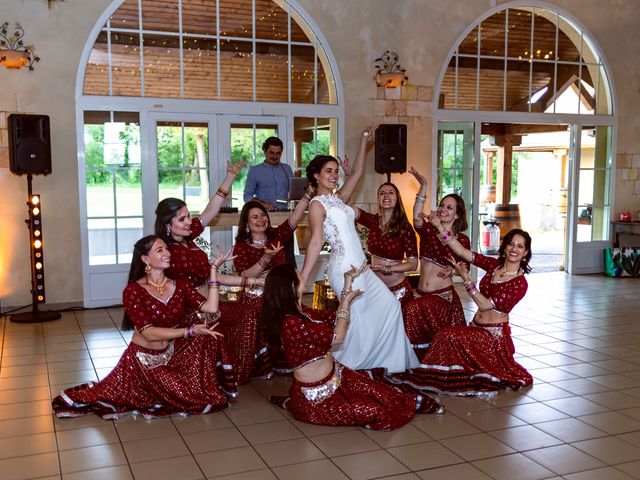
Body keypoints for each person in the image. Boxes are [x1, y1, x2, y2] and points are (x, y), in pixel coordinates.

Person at [52, 235, 238, 419]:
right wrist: (188, 331)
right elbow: (148, 333)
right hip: (143, 362)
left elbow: (211, 307)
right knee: (185, 397)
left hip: (172, 354)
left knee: (207, 348)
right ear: (146, 259)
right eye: (160, 250)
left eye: (166, 248)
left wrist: (213, 270)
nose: (167, 253)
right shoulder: (134, 291)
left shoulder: (180, 285)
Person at [265, 264, 443, 430]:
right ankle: (300, 404)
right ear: (290, 286)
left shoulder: (303, 311)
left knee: (385, 394)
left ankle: (414, 402)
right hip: (317, 397)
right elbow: (337, 337)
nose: (303, 276)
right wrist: (346, 304)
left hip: (338, 375)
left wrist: (346, 289)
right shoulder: (291, 323)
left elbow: (334, 318)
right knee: (374, 411)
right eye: (299, 275)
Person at [299, 125, 419, 373]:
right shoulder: (317, 205)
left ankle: (388, 363)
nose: (334, 175)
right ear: (316, 177)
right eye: (328, 171)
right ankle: (349, 365)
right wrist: (303, 278)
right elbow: (315, 242)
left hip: (363, 269)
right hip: (345, 271)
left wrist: (364, 139)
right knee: (357, 320)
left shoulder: (338, 199)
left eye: (335, 171)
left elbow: (358, 173)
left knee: (389, 306)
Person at [392, 228, 533, 395]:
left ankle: (432, 376)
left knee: (447, 335)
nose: (514, 249)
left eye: (519, 246)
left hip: (491, 337)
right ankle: (431, 371)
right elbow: (461, 251)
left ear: (525, 253)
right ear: (504, 247)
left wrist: (465, 278)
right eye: (511, 244)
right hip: (475, 327)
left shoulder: (519, 283)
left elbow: (485, 305)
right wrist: (439, 228)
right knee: (444, 335)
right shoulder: (494, 266)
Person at [224, 193, 311, 383]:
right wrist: (266, 260)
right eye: (255, 217)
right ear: (246, 223)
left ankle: (287, 359)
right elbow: (246, 276)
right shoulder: (241, 247)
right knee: (261, 310)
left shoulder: (276, 238)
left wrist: (306, 196)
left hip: (280, 293)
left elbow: (293, 220)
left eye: (263, 215)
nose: (261, 220)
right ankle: (264, 362)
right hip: (256, 295)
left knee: (295, 312)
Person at [401, 167, 470, 357]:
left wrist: (454, 270)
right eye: (441, 205)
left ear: (457, 215)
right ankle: (417, 361)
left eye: (449, 207)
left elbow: (465, 268)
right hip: (421, 294)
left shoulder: (462, 240)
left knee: (411, 309)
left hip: (442, 297)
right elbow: (416, 216)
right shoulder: (429, 231)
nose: (443, 209)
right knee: (411, 312)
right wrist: (423, 186)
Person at [155, 160, 254, 291]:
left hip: (206, 298)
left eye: (188, 216)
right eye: (182, 219)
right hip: (193, 305)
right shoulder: (168, 252)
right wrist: (251, 280)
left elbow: (211, 211)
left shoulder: (187, 234)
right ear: (167, 224)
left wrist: (230, 176)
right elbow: (210, 276)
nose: (189, 222)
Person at [354, 182, 418, 306]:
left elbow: (413, 264)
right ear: (378, 199)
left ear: (397, 198)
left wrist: (388, 269)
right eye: (382, 193)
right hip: (375, 288)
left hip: (398, 292)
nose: (386, 195)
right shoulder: (373, 221)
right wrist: (351, 177)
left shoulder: (405, 228)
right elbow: (349, 208)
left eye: (391, 192)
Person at [243, 136, 297, 267]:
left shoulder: (287, 169)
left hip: (285, 219)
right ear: (265, 151)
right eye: (271, 152)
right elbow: (247, 196)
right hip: (266, 221)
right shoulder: (255, 171)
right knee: (271, 258)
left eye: (278, 153)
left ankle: (291, 285)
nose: (274, 156)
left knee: (288, 257)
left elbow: (294, 192)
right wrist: (261, 203)